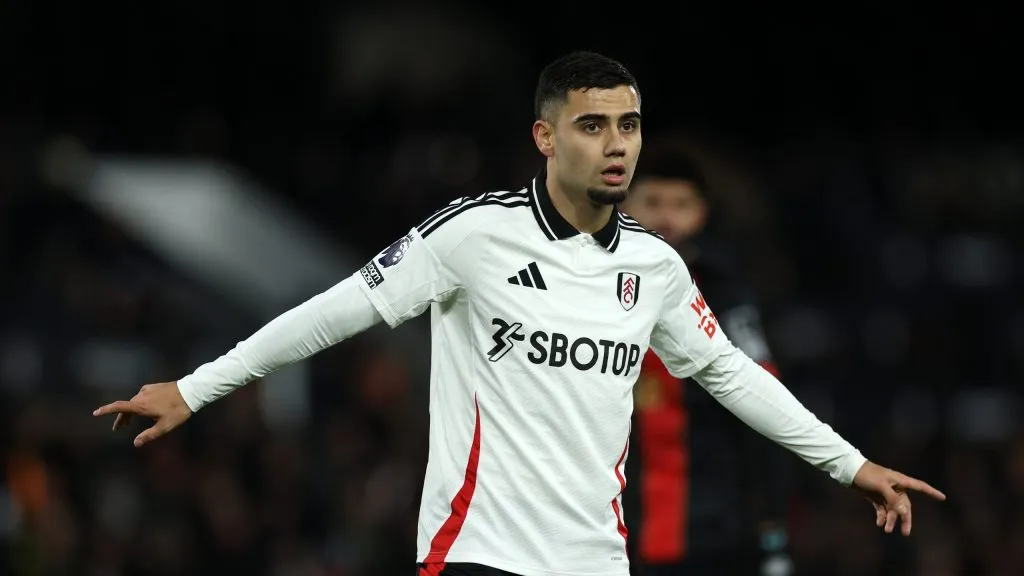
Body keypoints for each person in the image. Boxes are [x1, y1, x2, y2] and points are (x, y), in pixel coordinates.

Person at [93, 51, 945, 576]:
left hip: (596, 560)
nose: (617, 144)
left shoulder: (654, 267)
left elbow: (732, 374)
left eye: (629, 125)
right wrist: (195, 389)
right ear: (545, 138)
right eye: (593, 126)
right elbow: (336, 310)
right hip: (477, 553)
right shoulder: (473, 235)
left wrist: (851, 465)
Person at [620, 143, 794, 575]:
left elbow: (767, 404)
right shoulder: (588, 283)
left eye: (681, 205)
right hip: (615, 522)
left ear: (701, 213)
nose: (666, 218)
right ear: (625, 204)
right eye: (653, 202)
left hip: (712, 527)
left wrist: (771, 519)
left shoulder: (727, 295)